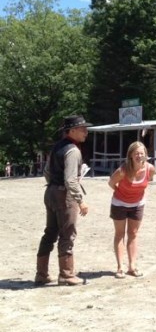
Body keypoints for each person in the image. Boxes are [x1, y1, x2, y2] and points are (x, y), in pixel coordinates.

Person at [35, 115, 92, 286]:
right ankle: (66, 274)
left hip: (50, 191)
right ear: (72, 130)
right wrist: (80, 200)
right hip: (64, 194)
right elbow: (70, 180)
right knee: (67, 233)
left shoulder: (57, 148)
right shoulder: (73, 151)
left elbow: (47, 172)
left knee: (50, 233)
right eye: (82, 129)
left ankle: (41, 274)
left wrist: (54, 186)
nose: (86, 132)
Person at [108, 141, 156, 278]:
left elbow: (149, 181)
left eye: (142, 153)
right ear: (130, 156)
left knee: (133, 233)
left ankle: (132, 266)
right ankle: (119, 267)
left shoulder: (150, 169)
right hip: (119, 203)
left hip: (137, 204)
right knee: (120, 234)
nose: (139, 156)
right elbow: (111, 182)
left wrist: (136, 194)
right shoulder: (123, 170)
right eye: (136, 154)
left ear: (146, 155)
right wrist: (121, 193)